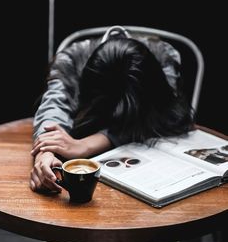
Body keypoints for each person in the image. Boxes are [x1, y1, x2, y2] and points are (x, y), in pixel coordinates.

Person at [30, 25, 194, 193]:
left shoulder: (163, 56)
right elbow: (54, 108)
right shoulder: (71, 60)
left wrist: (87, 145)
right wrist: (45, 154)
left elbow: (163, 115)